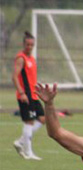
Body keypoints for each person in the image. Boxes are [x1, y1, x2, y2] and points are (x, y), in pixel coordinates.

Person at [12, 31, 44, 160]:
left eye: (32, 45)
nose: (29, 47)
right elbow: (14, 77)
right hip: (26, 95)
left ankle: (20, 142)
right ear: (23, 44)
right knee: (29, 122)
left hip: (34, 95)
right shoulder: (21, 58)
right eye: (27, 44)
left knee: (42, 119)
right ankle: (29, 152)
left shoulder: (32, 59)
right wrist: (21, 93)